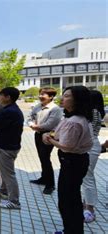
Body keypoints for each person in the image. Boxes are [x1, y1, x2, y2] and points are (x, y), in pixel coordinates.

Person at [42, 86, 92, 233]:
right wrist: (50, 136)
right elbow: (57, 135)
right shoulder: (71, 118)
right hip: (73, 162)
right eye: (63, 95)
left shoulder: (74, 121)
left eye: (68, 96)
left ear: (78, 100)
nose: (63, 98)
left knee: (68, 201)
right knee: (69, 199)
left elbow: (66, 146)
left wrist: (50, 140)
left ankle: (72, 230)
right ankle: (70, 229)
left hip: (73, 162)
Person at [0, 87, 24, 209]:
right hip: (10, 145)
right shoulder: (13, 109)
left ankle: (14, 201)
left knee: (9, 174)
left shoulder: (8, 111)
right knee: (4, 171)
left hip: (6, 147)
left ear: (8, 97)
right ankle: (3, 190)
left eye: (1, 95)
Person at [28, 87, 63, 195]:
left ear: (51, 97)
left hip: (48, 135)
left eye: (43, 94)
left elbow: (50, 124)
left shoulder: (55, 109)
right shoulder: (38, 106)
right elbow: (30, 117)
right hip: (38, 134)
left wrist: (36, 126)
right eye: (40, 94)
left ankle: (50, 185)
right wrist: (32, 125)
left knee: (46, 159)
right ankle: (44, 178)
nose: (40, 96)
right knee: (42, 157)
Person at [81, 90, 104, 223]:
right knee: (88, 177)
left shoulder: (93, 112)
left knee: (87, 177)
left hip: (89, 145)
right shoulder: (97, 111)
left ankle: (90, 210)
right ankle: (87, 205)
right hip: (92, 144)